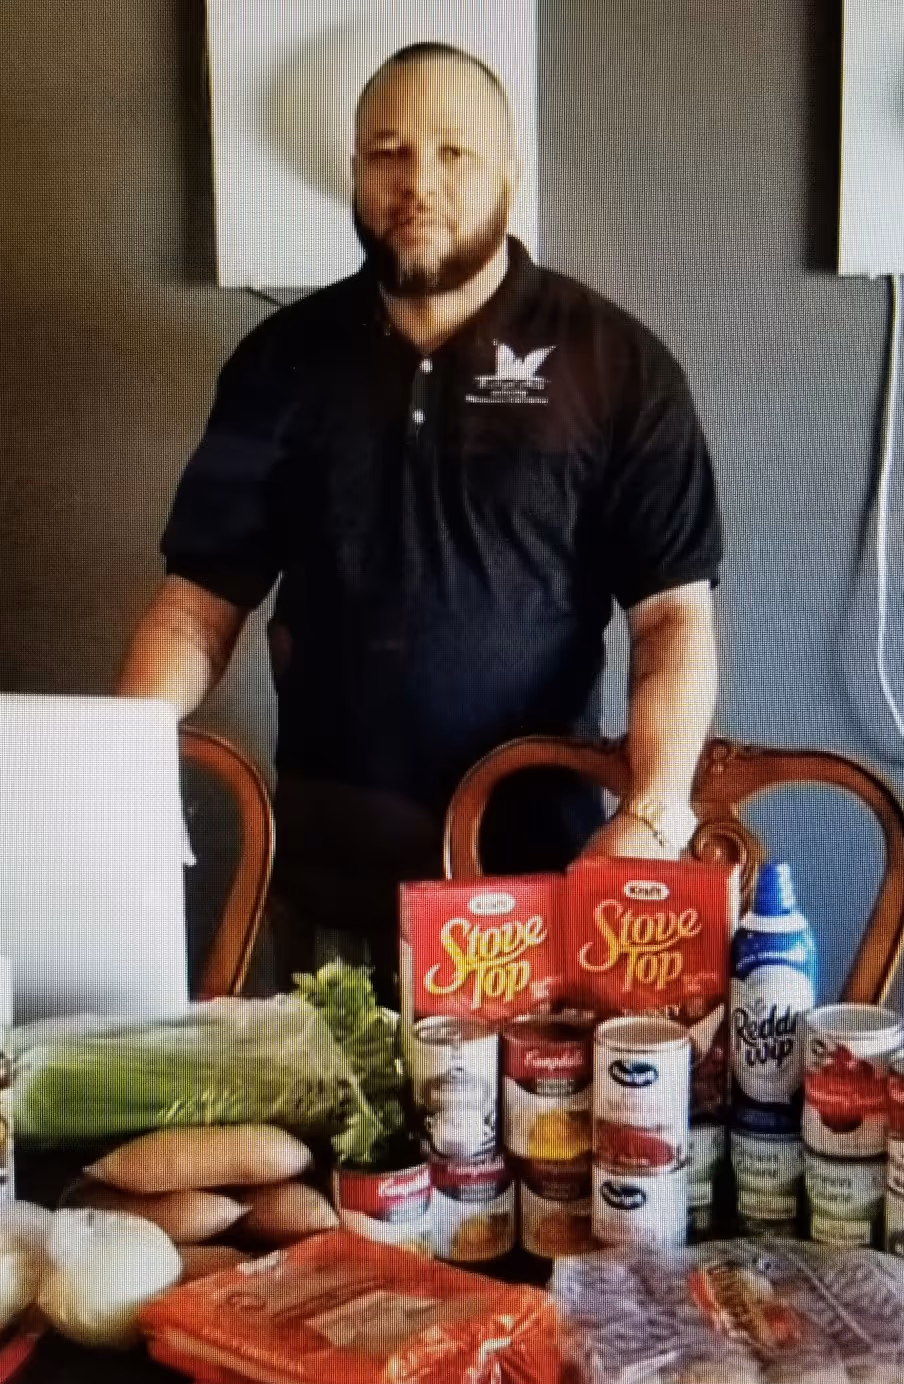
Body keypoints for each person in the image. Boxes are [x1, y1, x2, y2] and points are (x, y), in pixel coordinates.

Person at [119, 42, 723, 999]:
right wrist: (116, 760)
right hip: (329, 893)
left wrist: (651, 814)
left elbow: (671, 622)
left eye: (454, 152)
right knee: (337, 1143)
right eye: (387, 153)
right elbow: (196, 608)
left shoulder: (618, 368)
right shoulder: (277, 366)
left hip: (538, 882)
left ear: (510, 170)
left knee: (528, 1147)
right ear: (355, 169)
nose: (417, 182)